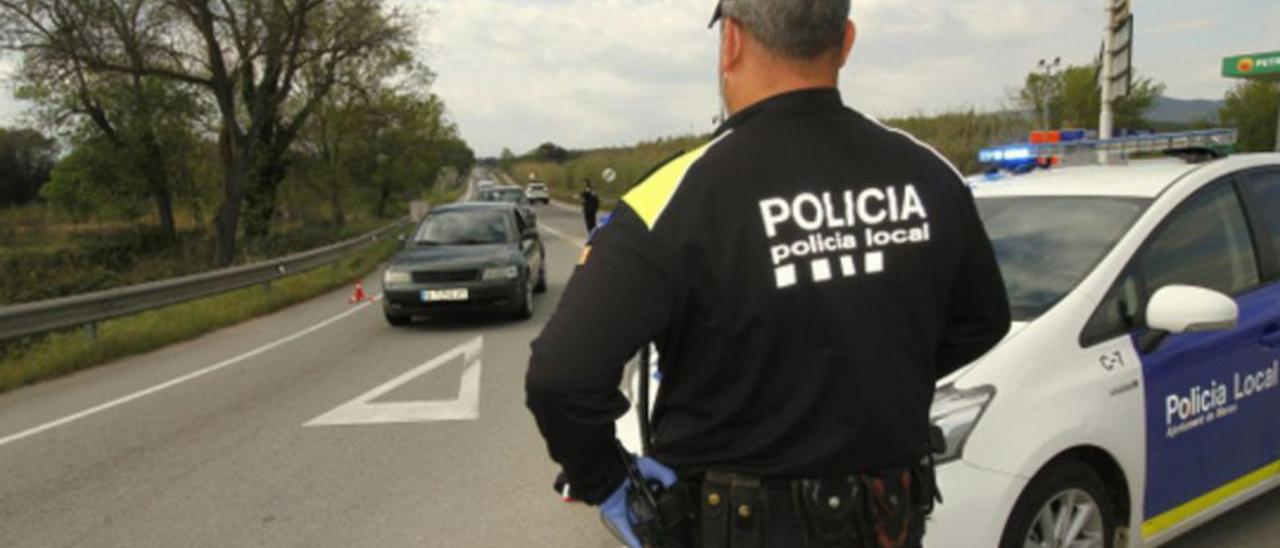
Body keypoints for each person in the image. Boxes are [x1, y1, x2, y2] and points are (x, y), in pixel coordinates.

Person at [526, 1, 1011, 546]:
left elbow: (562, 376)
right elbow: (984, 321)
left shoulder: (676, 196)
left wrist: (608, 483)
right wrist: (867, 379)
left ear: (730, 40)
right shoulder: (929, 173)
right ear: (846, 42)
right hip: (886, 521)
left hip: (733, 526)